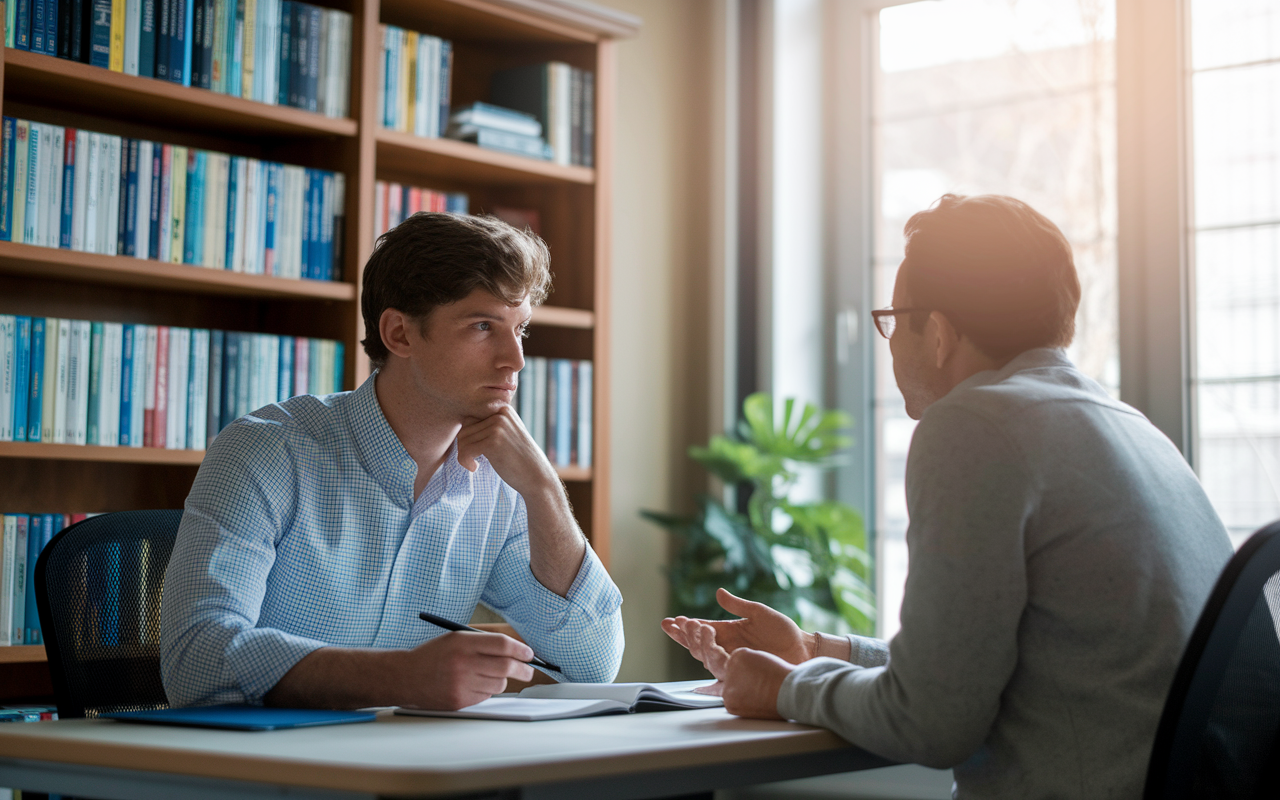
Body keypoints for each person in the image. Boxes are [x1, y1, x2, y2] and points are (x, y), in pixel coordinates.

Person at [664, 194, 1233, 799]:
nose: (888, 340)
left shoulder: (975, 424)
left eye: (891, 318)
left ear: (936, 332)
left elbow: (930, 721)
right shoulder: (1133, 428)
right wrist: (814, 650)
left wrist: (782, 689)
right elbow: (975, 671)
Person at [161, 212, 623, 710]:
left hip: (409, 771)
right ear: (399, 334)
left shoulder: (503, 485)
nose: (515, 359)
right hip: (265, 776)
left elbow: (592, 662)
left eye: (521, 329)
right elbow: (196, 660)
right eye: (483, 325)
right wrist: (401, 676)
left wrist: (545, 492)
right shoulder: (267, 452)